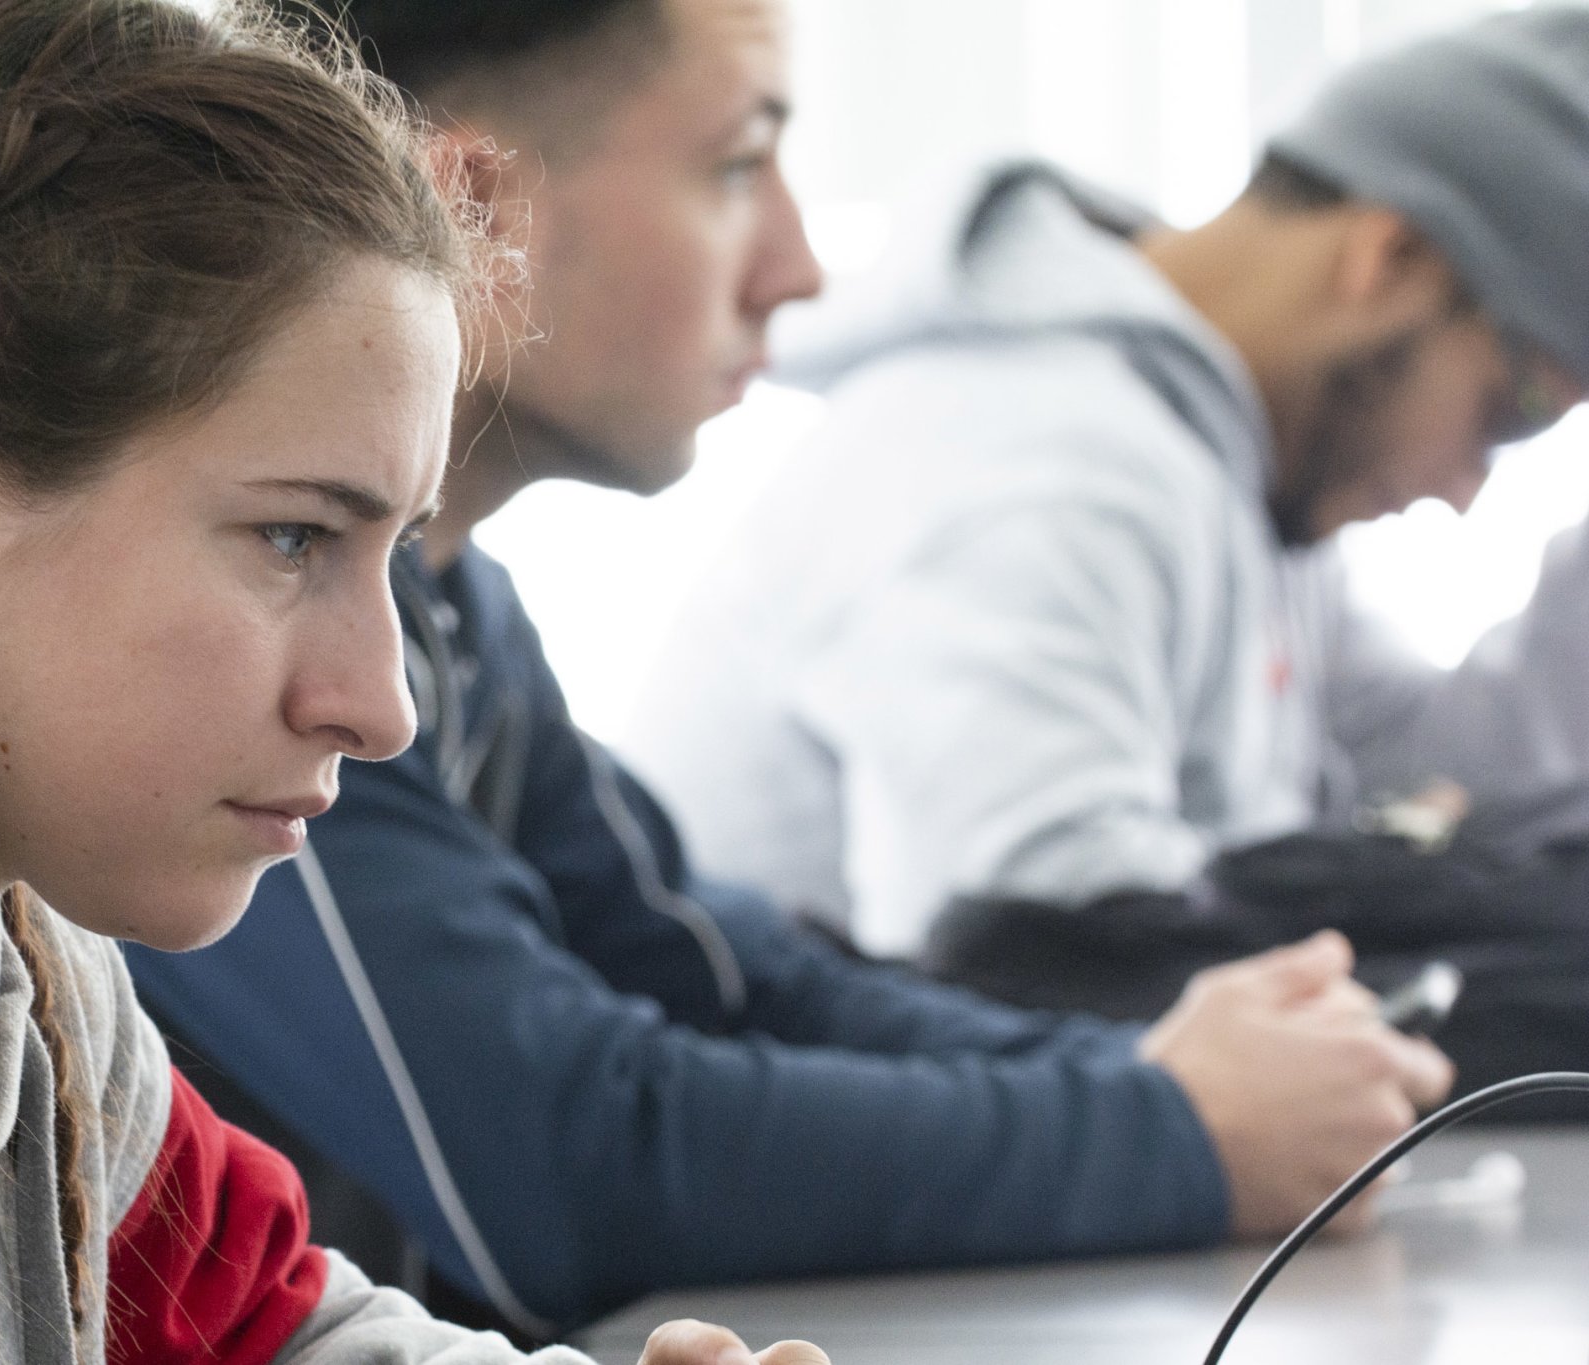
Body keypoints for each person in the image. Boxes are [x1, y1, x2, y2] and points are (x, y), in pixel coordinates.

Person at [121, 0, 1453, 1335]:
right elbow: (569, 1162)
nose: (802, 269)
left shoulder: (464, 611)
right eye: (737, 166)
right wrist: (1169, 1129)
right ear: (476, 207)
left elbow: (727, 973)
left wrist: (1174, 1081)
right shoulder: (238, 652)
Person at [0, 2, 823, 1364]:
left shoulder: (20, 955)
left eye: (388, 550)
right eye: (293, 538)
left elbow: (279, 1331)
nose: (379, 704)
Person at [629, 9, 1589, 961]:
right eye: (1517, 410)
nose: (1468, 490)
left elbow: (1420, 764)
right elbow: (1053, 954)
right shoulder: (1041, 462)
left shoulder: (1229, 458)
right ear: (1390, 259)